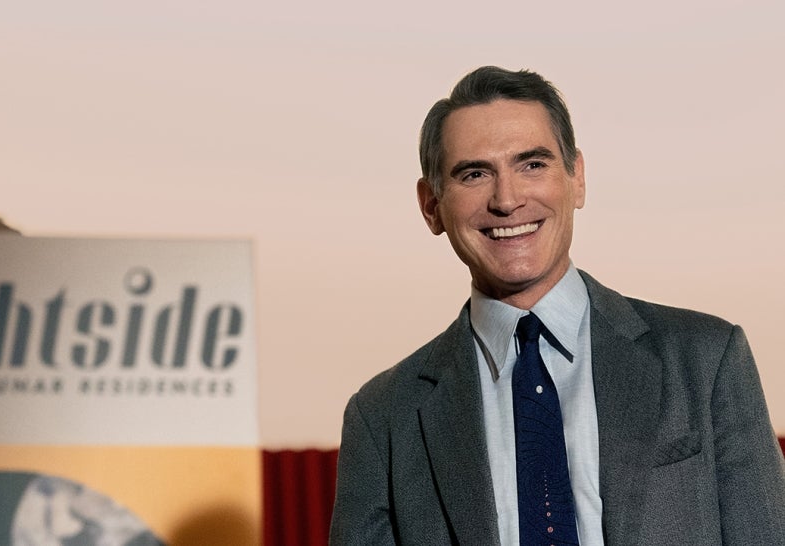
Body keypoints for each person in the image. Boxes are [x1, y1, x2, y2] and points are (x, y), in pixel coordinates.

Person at [329, 66, 785, 545]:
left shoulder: (707, 360)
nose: (507, 200)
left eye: (532, 165)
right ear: (431, 206)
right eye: (475, 174)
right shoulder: (382, 417)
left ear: (577, 178)